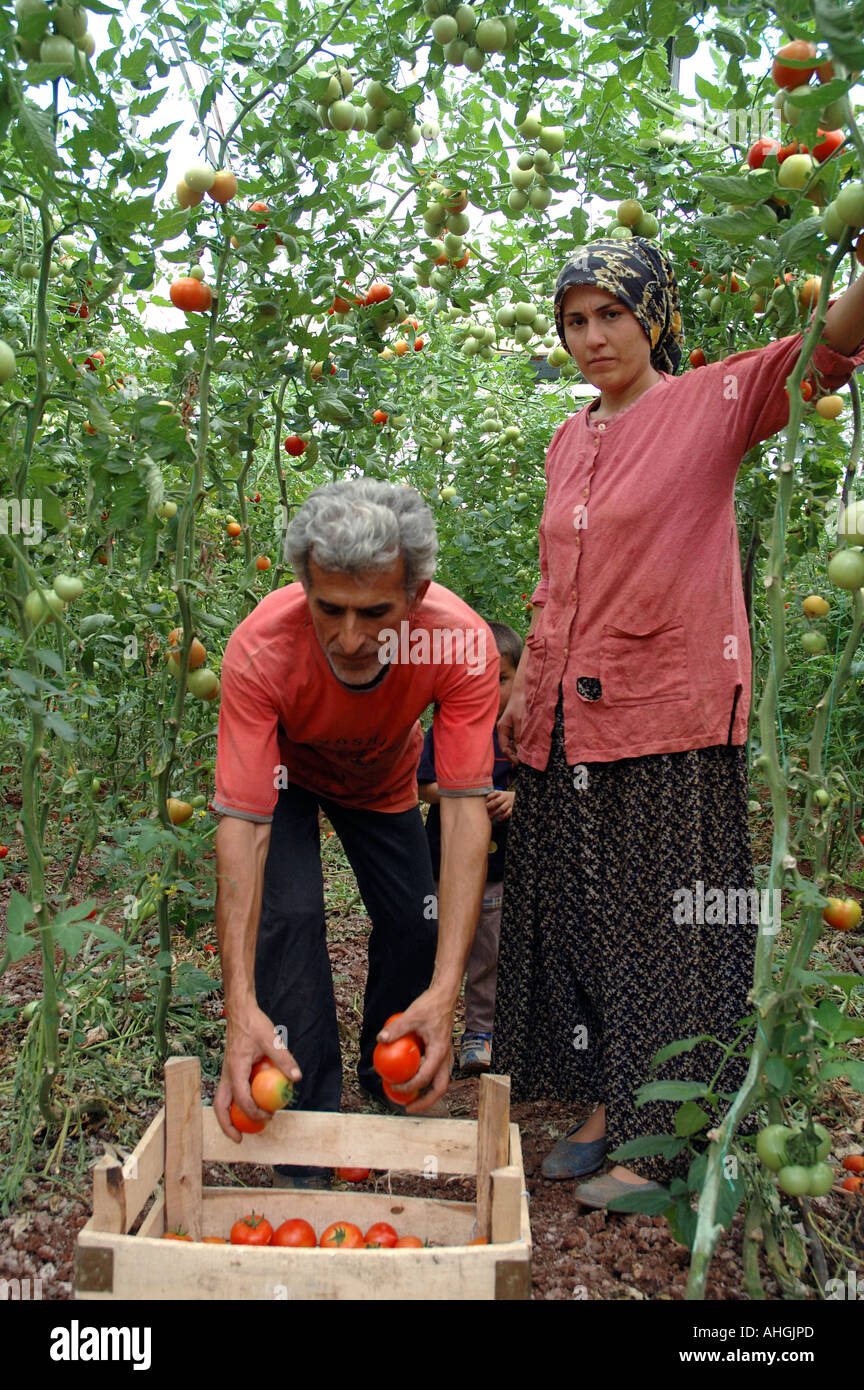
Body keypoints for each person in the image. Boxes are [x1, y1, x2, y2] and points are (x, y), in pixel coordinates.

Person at [493, 237, 864, 1209]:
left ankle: (657, 1139)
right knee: (575, 917)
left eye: (610, 314)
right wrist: (526, 674)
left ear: (651, 315)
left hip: (668, 716)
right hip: (567, 722)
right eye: (575, 321)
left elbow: (818, 355)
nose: (591, 336)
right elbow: (553, 578)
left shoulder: (709, 404)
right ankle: (602, 1103)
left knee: (660, 925)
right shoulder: (568, 439)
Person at [211, 478, 500, 1185]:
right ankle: (306, 1126)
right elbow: (242, 831)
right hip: (285, 782)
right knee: (291, 916)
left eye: (374, 612)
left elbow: (464, 810)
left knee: (416, 923)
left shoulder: (458, 643)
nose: (349, 638)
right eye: (328, 610)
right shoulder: (260, 650)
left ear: (418, 593)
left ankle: (390, 1068)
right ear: (304, 587)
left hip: (381, 783)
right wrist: (238, 1008)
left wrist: (446, 993)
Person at [418, 621, 522, 1072]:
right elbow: (425, 786)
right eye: (479, 677)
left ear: (521, 677)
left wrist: (517, 798)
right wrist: (466, 790)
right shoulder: (449, 726)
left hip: (497, 867)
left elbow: (544, 782)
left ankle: (480, 1031)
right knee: (436, 946)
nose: (490, 689)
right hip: (444, 861)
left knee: (488, 950)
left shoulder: (523, 730)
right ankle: (426, 1026)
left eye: (500, 679)